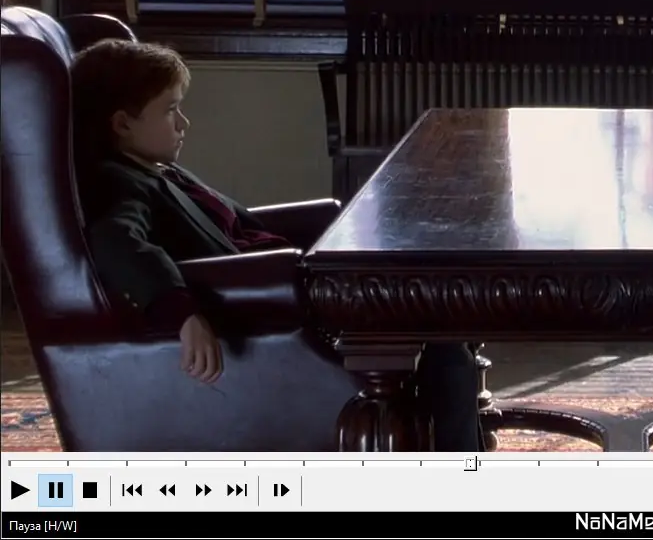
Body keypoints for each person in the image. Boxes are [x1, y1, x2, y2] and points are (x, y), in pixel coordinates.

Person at [71, 39, 484, 451]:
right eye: (170, 109)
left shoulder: (156, 168)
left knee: (437, 314)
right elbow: (116, 242)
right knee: (443, 347)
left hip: (299, 285)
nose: (184, 123)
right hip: (274, 307)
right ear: (122, 124)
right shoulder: (117, 182)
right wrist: (182, 312)